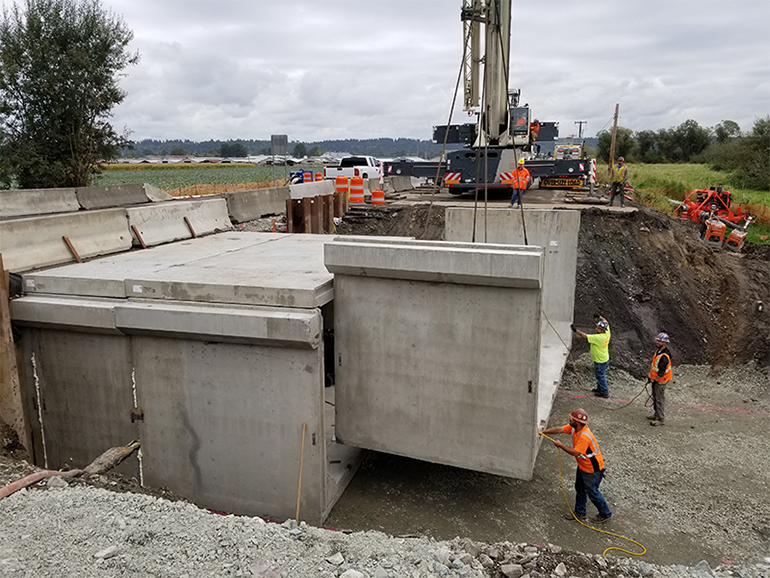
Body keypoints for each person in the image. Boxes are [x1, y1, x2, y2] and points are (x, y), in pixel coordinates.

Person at [539, 408, 612, 524]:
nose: (570, 420)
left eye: (572, 418)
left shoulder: (584, 436)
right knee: (580, 488)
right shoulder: (575, 428)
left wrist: (560, 445)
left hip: (592, 469)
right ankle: (580, 512)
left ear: (577, 422)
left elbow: (575, 452)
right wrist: (544, 432)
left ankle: (605, 513)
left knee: (592, 492)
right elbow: (560, 429)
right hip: (583, 466)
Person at [571, 316, 611, 397]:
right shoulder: (607, 333)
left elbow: (585, 336)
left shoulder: (598, 338)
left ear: (601, 330)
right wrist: (600, 317)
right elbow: (606, 321)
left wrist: (576, 330)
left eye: (598, 327)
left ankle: (604, 392)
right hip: (604, 359)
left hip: (600, 360)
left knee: (600, 375)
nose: (596, 328)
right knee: (600, 374)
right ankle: (600, 388)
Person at [647, 332, 672, 426]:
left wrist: (655, 380)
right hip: (656, 379)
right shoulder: (658, 352)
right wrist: (651, 378)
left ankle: (660, 419)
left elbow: (661, 372)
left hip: (661, 381)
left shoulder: (664, 356)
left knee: (659, 399)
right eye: (658, 340)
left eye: (660, 341)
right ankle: (656, 414)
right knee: (655, 397)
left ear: (665, 343)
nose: (658, 342)